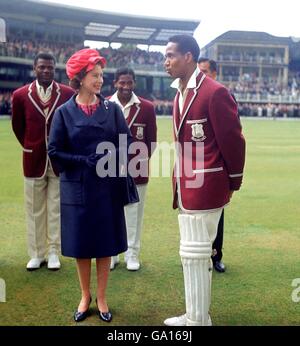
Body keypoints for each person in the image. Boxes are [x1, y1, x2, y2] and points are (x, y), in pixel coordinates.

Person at [163, 35, 245, 326]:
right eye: (165, 56)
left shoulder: (214, 92)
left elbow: (233, 141)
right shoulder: (179, 92)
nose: (166, 61)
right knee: (190, 254)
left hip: (207, 186)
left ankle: (199, 321)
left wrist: (233, 181)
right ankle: (193, 315)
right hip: (185, 188)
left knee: (197, 254)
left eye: (171, 55)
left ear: (188, 57)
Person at [48, 48, 134, 323]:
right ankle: (85, 296)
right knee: (82, 245)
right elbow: (54, 150)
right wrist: (83, 160)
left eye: (101, 75)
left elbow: (127, 142)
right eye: (95, 75)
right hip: (77, 187)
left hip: (107, 187)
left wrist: (111, 155)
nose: (100, 80)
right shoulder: (63, 113)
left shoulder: (113, 110)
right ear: (80, 78)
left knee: (105, 245)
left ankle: (102, 296)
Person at [11, 52, 74, 271]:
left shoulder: (67, 93)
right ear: (34, 68)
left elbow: (70, 127)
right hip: (32, 158)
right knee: (34, 208)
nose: (46, 71)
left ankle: (54, 252)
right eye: (42, 67)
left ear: (55, 69)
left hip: (58, 160)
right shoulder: (20, 95)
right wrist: (32, 145)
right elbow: (18, 127)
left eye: (50, 68)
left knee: (56, 208)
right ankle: (37, 253)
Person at [109, 67, 157, 271]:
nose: (126, 87)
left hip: (137, 170)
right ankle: (112, 253)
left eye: (129, 83)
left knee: (134, 213)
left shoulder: (146, 107)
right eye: (122, 83)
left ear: (134, 83)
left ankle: (132, 254)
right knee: (111, 212)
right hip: (108, 169)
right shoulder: (105, 105)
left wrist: (138, 162)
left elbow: (151, 142)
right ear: (115, 83)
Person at [198, 57, 227, 273]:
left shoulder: (219, 94)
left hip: (214, 167)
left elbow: (230, 135)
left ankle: (215, 256)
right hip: (193, 167)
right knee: (192, 215)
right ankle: (195, 256)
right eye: (199, 71)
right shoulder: (190, 95)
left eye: (206, 71)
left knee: (217, 215)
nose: (202, 75)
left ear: (215, 73)